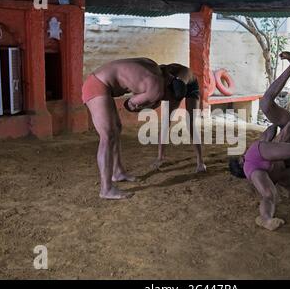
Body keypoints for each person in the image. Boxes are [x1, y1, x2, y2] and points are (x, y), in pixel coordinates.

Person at [82, 58, 204, 200]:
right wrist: (151, 102)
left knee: (116, 129)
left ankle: (118, 172)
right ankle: (106, 189)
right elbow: (129, 105)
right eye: (168, 98)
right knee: (107, 136)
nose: (166, 101)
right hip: (97, 85)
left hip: (100, 81)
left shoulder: (157, 68)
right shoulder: (157, 89)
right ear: (168, 91)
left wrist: (147, 98)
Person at [151, 63, 206, 173]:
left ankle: (200, 162)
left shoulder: (182, 77)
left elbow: (179, 93)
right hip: (175, 84)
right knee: (166, 121)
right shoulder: (159, 76)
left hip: (191, 86)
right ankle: (160, 157)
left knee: (190, 124)